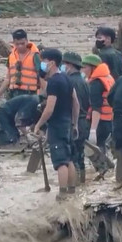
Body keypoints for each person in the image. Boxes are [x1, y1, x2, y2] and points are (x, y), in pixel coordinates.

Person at [33, 48, 79, 201]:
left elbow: (49, 108)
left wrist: (38, 125)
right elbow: (76, 102)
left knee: (61, 162)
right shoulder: (66, 78)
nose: (41, 64)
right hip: (67, 123)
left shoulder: (53, 82)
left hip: (57, 124)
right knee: (69, 158)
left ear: (51, 62)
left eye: (43, 61)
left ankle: (62, 194)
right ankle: (72, 192)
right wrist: (75, 123)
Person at [82, 54, 115, 173]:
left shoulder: (96, 83)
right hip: (109, 120)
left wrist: (92, 130)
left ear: (92, 68)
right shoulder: (108, 78)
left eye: (84, 67)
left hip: (99, 122)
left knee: (90, 148)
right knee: (101, 146)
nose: (83, 70)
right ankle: (107, 170)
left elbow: (96, 108)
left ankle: (103, 169)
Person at [61, 52, 90, 183]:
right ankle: (82, 183)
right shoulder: (84, 82)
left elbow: (72, 105)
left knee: (73, 157)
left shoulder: (70, 82)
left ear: (70, 65)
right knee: (81, 156)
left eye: (64, 64)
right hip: (84, 122)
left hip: (74, 123)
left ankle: (75, 187)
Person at [0, 29, 42, 104]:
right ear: (13, 43)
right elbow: (8, 78)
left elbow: (42, 77)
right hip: (13, 94)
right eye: (17, 44)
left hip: (30, 94)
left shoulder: (35, 56)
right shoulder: (11, 56)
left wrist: (40, 96)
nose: (20, 46)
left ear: (27, 41)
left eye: (22, 43)